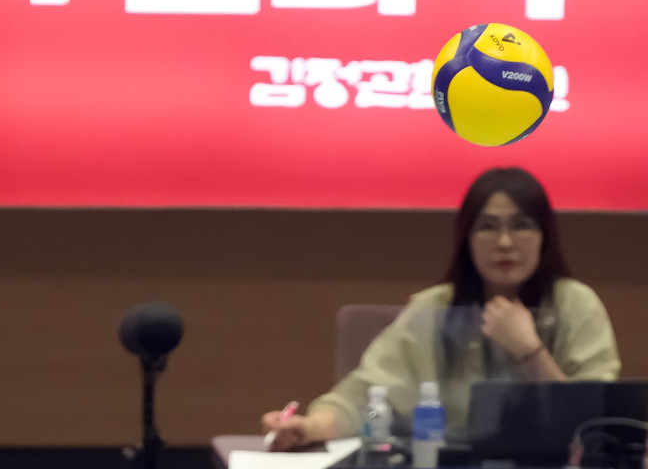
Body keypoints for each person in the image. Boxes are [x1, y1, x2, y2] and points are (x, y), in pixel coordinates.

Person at [260, 167, 621, 449]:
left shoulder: (576, 305)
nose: (505, 242)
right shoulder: (433, 309)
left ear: (545, 236)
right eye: (487, 227)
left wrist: (530, 350)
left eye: (522, 226)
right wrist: (308, 428)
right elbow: (362, 396)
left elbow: (594, 423)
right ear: (467, 240)